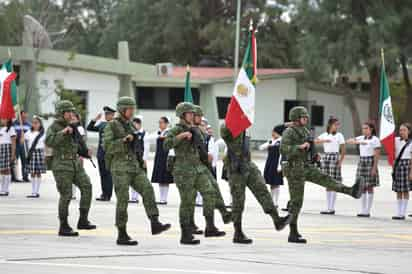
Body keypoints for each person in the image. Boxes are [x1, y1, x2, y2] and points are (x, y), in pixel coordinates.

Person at [280, 106, 362, 244]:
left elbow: (309, 147)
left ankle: (351, 191)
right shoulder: (289, 132)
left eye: (306, 117)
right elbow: (283, 149)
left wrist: (314, 155)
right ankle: (293, 233)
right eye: (303, 117)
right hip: (294, 169)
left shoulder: (305, 130)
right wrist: (298, 147)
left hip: (306, 166)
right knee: (296, 202)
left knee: (327, 179)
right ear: (295, 118)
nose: (305, 119)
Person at [103, 97, 170, 246]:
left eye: (133, 109)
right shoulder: (112, 126)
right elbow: (107, 146)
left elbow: (137, 146)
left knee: (147, 189)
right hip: (120, 167)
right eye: (129, 109)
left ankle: (155, 222)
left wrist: (141, 162)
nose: (132, 112)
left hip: (134, 166)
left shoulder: (131, 126)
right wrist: (123, 141)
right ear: (122, 110)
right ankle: (122, 233)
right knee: (123, 199)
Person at [221, 122, 291, 245]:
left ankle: (277, 220)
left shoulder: (244, 126)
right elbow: (224, 132)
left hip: (248, 165)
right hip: (236, 168)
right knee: (238, 201)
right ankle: (238, 232)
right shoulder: (227, 126)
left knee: (263, 191)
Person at [164, 102, 223, 245]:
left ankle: (210, 226)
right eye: (190, 113)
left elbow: (202, 144)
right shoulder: (175, 129)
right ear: (182, 115)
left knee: (209, 193)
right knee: (187, 202)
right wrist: (181, 136)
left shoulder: (196, 129)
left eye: (193, 113)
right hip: (183, 170)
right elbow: (166, 145)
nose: (192, 115)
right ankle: (185, 234)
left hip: (198, 168)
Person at [45, 100, 96, 237]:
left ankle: (83, 219)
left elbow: (77, 144)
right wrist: (63, 132)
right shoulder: (55, 126)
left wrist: (85, 152)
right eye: (68, 112)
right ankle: (64, 225)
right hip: (61, 165)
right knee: (66, 195)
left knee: (87, 187)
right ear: (62, 113)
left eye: (72, 111)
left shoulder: (73, 125)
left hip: (75, 164)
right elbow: (49, 141)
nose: (71, 114)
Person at [192, 105, 231, 231]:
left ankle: (212, 224)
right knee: (189, 199)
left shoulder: (206, 137)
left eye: (204, 124)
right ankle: (189, 226)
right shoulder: (188, 132)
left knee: (211, 192)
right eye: (201, 122)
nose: (203, 126)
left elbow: (210, 156)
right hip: (190, 169)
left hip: (203, 168)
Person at [347, 122, 381, 218]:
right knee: (362, 186)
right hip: (362, 161)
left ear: (371, 129)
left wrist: (374, 167)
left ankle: (367, 210)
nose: (364, 130)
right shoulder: (361, 137)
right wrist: (354, 140)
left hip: (370, 161)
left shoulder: (375, 140)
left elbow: (377, 155)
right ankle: (363, 209)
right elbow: (349, 141)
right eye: (363, 128)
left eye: (366, 128)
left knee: (369, 186)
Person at [315, 117, 345, 215]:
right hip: (326, 157)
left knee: (334, 182)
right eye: (335, 124)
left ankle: (332, 207)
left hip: (335, 157)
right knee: (327, 183)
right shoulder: (325, 135)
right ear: (330, 125)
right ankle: (328, 207)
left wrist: (340, 161)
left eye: (338, 125)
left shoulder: (339, 135)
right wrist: (323, 141)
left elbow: (343, 149)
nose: (337, 126)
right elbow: (315, 141)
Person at [87, 106, 116, 202]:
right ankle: (104, 194)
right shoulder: (102, 124)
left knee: (109, 174)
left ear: (113, 115)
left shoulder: (116, 125)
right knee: (102, 174)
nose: (107, 116)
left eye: (109, 114)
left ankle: (108, 195)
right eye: (106, 114)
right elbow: (89, 128)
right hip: (101, 153)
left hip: (110, 153)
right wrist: (95, 119)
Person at [259, 125, 286, 207]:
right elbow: (260, 147)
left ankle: (276, 202)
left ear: (278, 133)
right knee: (271, 183)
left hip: (277, 163)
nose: (272, 133)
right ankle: (271, 200)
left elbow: (282, 155)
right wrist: (268, 145)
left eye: (274, 132)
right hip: (270, 163)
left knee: (276, 183)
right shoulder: (271, 141)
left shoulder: (281, 141)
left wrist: (280, 166)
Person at [151, 116, 174, 205]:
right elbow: (149, 138)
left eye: (161, 122)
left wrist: (171, 158)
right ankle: (161, 198)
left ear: (166, 123)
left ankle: (164, 198)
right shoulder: (159, 133)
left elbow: (172, 146)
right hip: (159, 157)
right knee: (160, 179)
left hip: (166, 157)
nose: (160, 124)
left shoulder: (169, 133)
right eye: (159, 122)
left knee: (165, 179)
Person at [392, 123, 412, 220]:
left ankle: (403, 212)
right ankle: (398, 212)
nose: (402, 132)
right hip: (398, 165)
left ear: (409, 131)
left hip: (407, 165)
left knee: (405, 190)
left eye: (404, 130)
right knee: (398, 190)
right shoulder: (396, 140)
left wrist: (411, 172)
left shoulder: (411, 143)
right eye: (400, 130)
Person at [24, 116, 46, 198]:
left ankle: (37, 191)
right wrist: (22, 138)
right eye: (33, 123)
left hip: (40, 152)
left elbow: (45, 145)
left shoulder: (43, 133)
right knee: (32, 172)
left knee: (38, 172)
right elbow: (23, 140)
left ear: (40, 124)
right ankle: (33, 191)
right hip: (31, 153)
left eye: (36, 123)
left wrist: (45, 155)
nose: (35, 124)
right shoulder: (29, 132)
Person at [128, 116, 148, 204]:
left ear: (139, 124)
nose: (134, 126)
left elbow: (146, 148)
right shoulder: (132, 134)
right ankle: (134, 197)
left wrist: (144, 160)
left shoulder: (144, 134)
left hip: (141, 159)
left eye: (135, 124)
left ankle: (144, 195)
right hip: (132, 159)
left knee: (141, 179)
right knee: (132, 178)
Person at [71, 113, 86, 200]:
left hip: (77, 154)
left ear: (77, 119)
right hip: (70, 153)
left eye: (74, 118)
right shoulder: (69, 127)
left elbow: (82, 142)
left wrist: (81, 154)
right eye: (71, 118)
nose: (72, 119)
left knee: (77, 175)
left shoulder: (80, 128)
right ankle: (71, 193)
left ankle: (75, 193)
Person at [12, 111, 31, 182]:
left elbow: (30, 134)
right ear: (19, 116)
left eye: (25, 116)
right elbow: (12, 133)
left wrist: (25, 137)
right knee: (14, 160)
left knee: (25, 161)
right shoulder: (14, 124)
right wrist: (17, 136)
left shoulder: (28, 124)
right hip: (16, 144)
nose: (24, 118)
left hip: (24, 145)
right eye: (23, 116)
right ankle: (14, 177)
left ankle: (25, 176)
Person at [0, 119, 16, 196]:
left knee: (7, 170)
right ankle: (2, 188)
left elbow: (13, 142)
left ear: (8, 120)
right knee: (1, 170)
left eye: (3, 119)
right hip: (1, 149)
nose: (1, 120)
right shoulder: (1, 129)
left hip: (7, 149)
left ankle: (6, 189)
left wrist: (13, 154)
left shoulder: (11, 129)